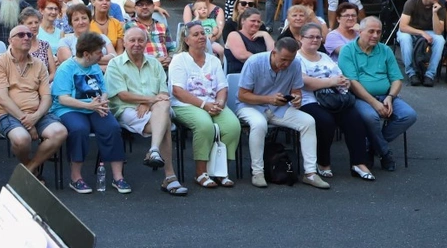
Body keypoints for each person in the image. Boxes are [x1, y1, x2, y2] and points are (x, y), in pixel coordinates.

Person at [234, 38, 330, 189]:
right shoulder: (254, 62)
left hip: (279, 108)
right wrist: (268, 99)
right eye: (283, 59)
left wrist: (296, 99)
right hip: (250, 106)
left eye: (290, 60)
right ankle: (257, 172)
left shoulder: (295, 64)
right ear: (273, 53)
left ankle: (310, 173)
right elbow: (242, 95)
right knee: (259, 124)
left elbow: (296, 90)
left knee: (308, 122)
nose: (287, 64)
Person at [106, 27, 186, 195]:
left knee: (163, 106)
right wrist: (149, 100)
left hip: (154, 108)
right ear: (125, 43)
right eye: (132, 40)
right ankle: (170, 177)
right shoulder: (115, 64)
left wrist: (149, 104)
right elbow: (123, 95)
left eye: (140, 40)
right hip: (127, 109)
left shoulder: (155, 63)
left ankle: (154, 150)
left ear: (146, 43)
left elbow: (163, 93)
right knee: (164, 122)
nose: (136, 44)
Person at [52, 32, 128, 194]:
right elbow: (63, 98)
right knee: (79, 129)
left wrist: (102, 101)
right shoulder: (66, 68)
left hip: (95, 106)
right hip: (70, 108)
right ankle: (76, 177)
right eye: (98, 52)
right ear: (86, 54)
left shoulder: (94, 67)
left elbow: (104, 89)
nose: (102, 54)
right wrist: (88, 106)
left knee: (112, 128)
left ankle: (118, 177)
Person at [339, 16, 416, 172]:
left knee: (409, 115)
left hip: (386, 96)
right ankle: (385, 153)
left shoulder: (385, 50)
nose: (375, 35)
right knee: (371, 117)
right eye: (371, 31)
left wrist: (390, 97)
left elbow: (396, 80)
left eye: (378, 32)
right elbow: (353, 83)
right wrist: (374, 103)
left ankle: (372, 146)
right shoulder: (347, 51)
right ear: (360, 32)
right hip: (360, 97)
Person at [296, 23, 372, 181]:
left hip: (334, 98)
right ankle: (322, 163)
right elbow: (305, 82)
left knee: (355, 119)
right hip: (309, 100)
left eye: (318, 37)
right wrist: (331, 82)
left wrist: (344, 82)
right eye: (310, 37)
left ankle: (359, 163)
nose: (315, 40)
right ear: (300, 38)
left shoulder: (324, 56)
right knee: (326, 122)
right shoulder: (297, 58)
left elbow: (339, 75)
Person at [0, 24, 67, 178]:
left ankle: (30, 168)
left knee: (60, 132)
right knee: (22, 139)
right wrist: (28, 123)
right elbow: (3, 99)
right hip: (6, 113)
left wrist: (36, 116)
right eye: (21, 35)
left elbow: (46, 97)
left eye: (29, 35)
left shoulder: (39, 64)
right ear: (10, 40)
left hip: (36, 113)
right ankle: (29, 166)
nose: (26, 37)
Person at [169, 23, 240, 189]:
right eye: (195, 34)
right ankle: (200, 173)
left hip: (213, 103)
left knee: (233, 126)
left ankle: (220, 172)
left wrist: (220, 103)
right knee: (204, 125)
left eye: (203, 33)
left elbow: (223, 87)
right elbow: (178, 91)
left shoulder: (214, 60)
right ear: (186, 40)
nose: (201, 37)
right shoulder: (179, 60)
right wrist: (204, 105)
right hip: (185, 104)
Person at [396, 0, 445, 86]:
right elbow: (403, 27)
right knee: (405, 39)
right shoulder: (412, 2)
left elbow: (438, 31)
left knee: (440, 40)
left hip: (430, 31)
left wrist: (435, 13)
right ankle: (411, 73)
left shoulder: (440, 6)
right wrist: (422, 33)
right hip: (410, 29)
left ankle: (429, 74)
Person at [224, 6, 273, 75]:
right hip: (239, 75)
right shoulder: (234, 35)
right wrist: (266, 62)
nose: (256, 24)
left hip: (261, 76)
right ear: (243, 21)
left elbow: (274, 55)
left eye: (259, 22)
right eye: (253, 21)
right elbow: (242, 56)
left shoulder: (263, 37)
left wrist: (266, 35)